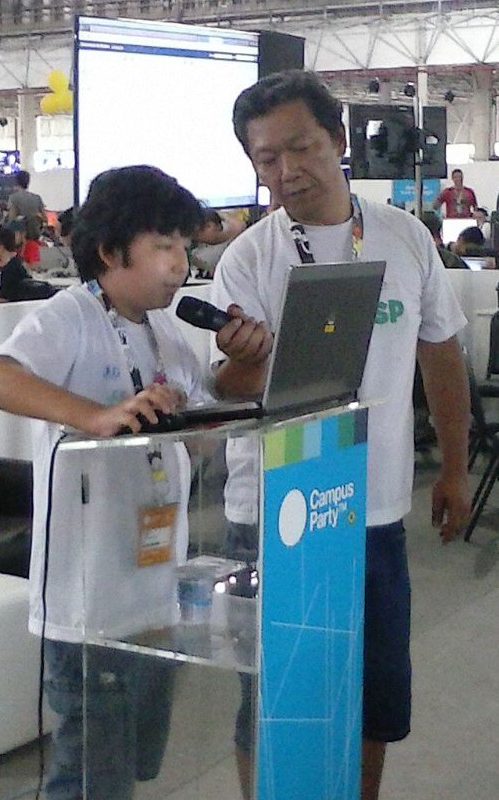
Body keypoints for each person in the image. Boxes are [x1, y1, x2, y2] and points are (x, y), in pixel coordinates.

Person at [209, 70, 471, 800]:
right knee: (272, 699)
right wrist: (243, 362)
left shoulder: (402, 238)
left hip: (374, 512)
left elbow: (440, 353)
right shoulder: (247, 259)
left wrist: (453, 468)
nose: (286, 171)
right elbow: (222, 392)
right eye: (266, 158)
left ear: (338, 141)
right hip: (273, 515)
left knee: (374, 699)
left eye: (300, 148)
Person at [0, 165, 211, 800]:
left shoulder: (165, 331)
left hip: (156, 586)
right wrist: (96, 416)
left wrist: (244, 362)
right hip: (91, 598)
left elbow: (212, 407)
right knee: (89, 771)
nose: (178, 263)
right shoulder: (71, 314)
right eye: (162, 246)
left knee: (129, 760)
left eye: (183, 245)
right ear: (110, 252)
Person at [8, 169, 47, 250]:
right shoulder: (37, 198)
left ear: (16, 182)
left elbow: (12, 219)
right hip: (35, 237)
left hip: (20, 241)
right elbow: (45, 219)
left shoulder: (13, 198)